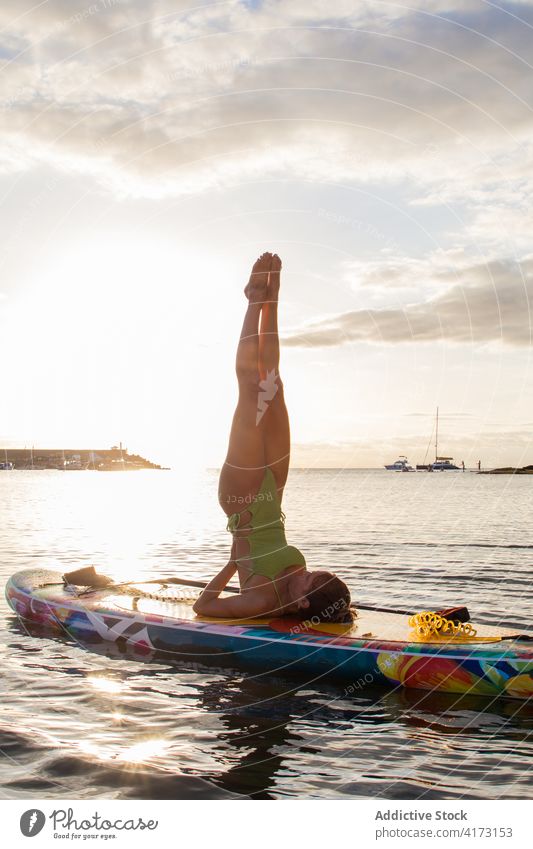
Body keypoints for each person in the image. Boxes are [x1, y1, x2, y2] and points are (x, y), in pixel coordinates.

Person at [193, 253, 353, 624]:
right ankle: (273, 298)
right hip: (274, 491)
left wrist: (232, 565)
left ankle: (253, 300)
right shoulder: (300, 572)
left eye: (307, 583)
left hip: (242, 499)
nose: (305, 574)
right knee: (274, 384)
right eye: (314, 573)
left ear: (300, 604)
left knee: (250, 388)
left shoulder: (262, 600)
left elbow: (204, 607)